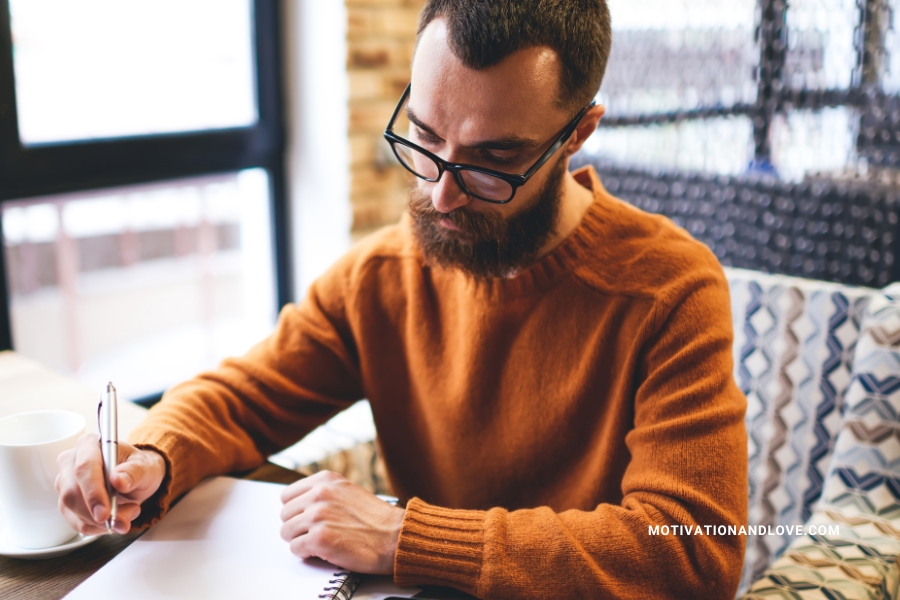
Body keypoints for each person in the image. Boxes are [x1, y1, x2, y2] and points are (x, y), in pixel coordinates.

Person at [56, 1, 748, 598]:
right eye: (423, 135)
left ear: (577, 133)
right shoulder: (383, 274)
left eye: (494, 160)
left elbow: (693, 550)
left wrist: (405, 536)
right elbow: (242, 396)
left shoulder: (671, 291)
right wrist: (151, 453)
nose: (441, 194)